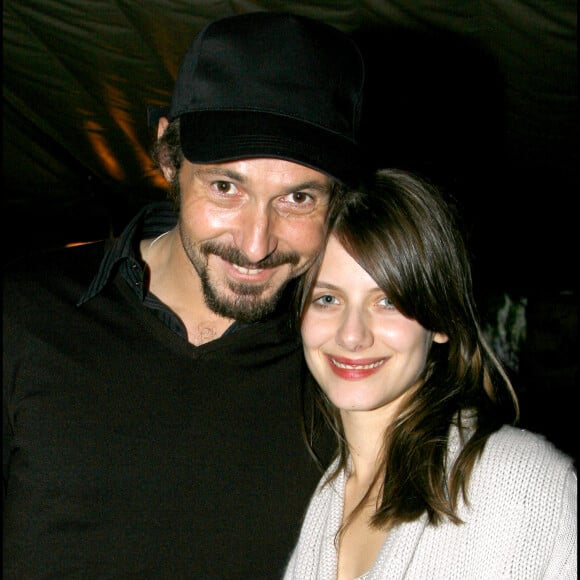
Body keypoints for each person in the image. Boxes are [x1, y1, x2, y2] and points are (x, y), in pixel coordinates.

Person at [2, 12, 367, 578]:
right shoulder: (23, 313)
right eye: (226, 186)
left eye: (298, 199)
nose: (255, 244)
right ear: (169, 158)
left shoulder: (345, 366)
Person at [284, 169, 577, 579]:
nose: (351, 335)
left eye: (386, 300)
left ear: (439, 320)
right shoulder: (313, 492)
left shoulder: (526, 484)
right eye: (327, 298)